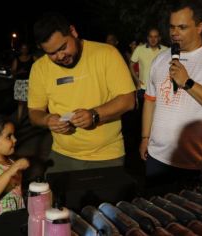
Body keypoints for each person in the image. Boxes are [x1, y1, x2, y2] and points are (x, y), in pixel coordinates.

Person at [139, 0, 202, 192]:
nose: (174, 33)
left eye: (182, 27)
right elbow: (150, 101)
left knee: (190, 217)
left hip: (195, 163)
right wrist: (144, 137)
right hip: (157, 158)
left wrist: (188, 82)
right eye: (172, 27)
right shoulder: (161, 59)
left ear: (200, 27)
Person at [28, 13, 135, 173]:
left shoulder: (106, 53)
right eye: (51, 53)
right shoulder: (39, 68)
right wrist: (47, 119)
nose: (60, 56)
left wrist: (94, 115)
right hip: (61, 155)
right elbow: (34, 112)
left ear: (73, 32)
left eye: (63, 47)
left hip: (106, 156)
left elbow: (128, 100)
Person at [130, 27, 168, 109]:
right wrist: (137, 80)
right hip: (143, 89)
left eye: (155, 37)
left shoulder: (166, 51)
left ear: (159, 38)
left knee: (157, 116)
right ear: (147, 38)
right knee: (143, 116)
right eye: (151, 37)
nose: (153, 39)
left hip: (160, 89)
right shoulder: (140, 49)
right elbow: (131, 65)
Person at [11, 43, 34, 122]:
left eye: (26, 48)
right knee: (21, 103)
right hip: (20, 83)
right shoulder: (17, 59)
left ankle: (32, 118)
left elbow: (40, 66)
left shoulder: (32, 57)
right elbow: (12, 72)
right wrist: (19, 72)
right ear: (20, 50)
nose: (24, 50)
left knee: (31, 102)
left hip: (31, 82)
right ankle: (19, 120)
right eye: (23, 48)